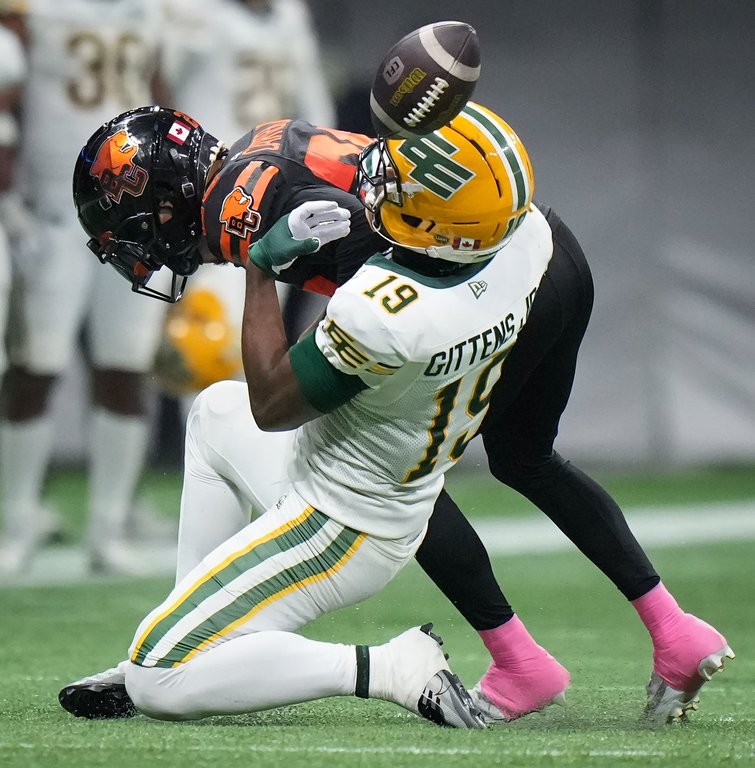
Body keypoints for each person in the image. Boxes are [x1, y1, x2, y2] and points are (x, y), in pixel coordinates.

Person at [62, 103, 732, 728]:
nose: (138, 252)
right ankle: (670, 629)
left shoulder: (242, 211)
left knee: (396, 446)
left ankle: (516, 659)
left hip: (465, 280)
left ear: (168, 201)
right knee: (522, 456)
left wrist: (306, 319)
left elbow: (374, 257)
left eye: (134, 231)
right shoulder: (254, 150)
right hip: (543, 249)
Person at [0, 0, 174, 576]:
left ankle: (108, 525)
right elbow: (8, 88)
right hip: (49, 207)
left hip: (129, 214)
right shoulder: (33, 10)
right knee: (35, 367)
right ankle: (16, 519)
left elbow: (157, 100)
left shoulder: (148, 10)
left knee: (124, 368)